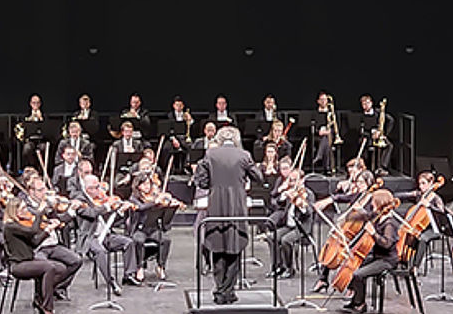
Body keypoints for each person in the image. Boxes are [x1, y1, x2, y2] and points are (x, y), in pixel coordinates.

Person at [192, 126, 262, 304]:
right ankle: (228, 291)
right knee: (234, 246)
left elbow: (201, 181)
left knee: (217, 246)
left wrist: (214, 184)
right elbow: (259, 178)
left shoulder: (210, 155)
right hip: (237, 207)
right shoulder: (244, 155)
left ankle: (220, 290)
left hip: (216, 206)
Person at [3, 197, 72, 314]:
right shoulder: (10, 226)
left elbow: (35, 243)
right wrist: (39, 212)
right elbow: (33, 231)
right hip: (18, 265)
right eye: (23, 208)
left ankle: (40, 298)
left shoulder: (19, 224)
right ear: (15, 211)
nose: (27, 211)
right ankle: (47, 308)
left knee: (61, 268)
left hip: (28, 260)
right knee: (48, 267)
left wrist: (48, 230)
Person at [75, 174, 141, 294]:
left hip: (106, 234)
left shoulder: (101, 199)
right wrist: (106, 206)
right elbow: (91, 213)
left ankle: (128, 275)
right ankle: (110, 281)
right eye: (96, 187)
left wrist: (120, 210)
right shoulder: (80, 200)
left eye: (99, 186)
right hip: (90, 237)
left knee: (128, 242)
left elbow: (112, 220)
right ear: (88, 189)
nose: (99, 190)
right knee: (100, 252)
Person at [341, 189, 402, 314]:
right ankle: (355, 300)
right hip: (378, 256)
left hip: (387, 260)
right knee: (356, 266)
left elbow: (386, 244)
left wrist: (373, 233)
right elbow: (364, 217)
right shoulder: (378, 216)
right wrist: (351, 214)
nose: (372, 204)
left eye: (373, 202)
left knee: (358, 274)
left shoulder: (390, 223)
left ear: (380, 203)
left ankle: (361, 304)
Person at [22, 177, 84, 297]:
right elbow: (34, 225)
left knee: (76, 261)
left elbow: (59, 220)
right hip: (37, 247)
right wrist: (42, 210)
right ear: (31, 191)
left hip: (53, 245)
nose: (44, 192)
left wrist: (71, 210)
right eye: (40, 190)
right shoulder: (26, 207)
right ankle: (41, 295)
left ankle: (55, 286)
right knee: (45, 266)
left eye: (44, 188)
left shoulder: (48, 205)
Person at [128, 173, 180, 281]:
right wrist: (154, 202)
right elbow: (141, 207)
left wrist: (170, 205)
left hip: (153, 229)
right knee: (138, 241)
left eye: (148, 184)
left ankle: (160, 266)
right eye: (144, 184)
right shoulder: (134, 198)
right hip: (139, 229)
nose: (147, 186)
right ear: (138, 186)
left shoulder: (154, 196)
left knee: (165, 240)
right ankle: (139, 267)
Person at [266, 168, 314, 279]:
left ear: (302, 180)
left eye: (294, 180)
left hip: (301, 227)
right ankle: (278, 267)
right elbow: (278, 205)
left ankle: (289, 268)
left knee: (285, 240)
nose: (292, 183)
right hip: (289, 225)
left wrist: (300, 204)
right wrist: (283, 196)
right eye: (290, 180)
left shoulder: (308, 194)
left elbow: (309, 212)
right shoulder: (291, 191)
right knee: (271, 237)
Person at [394, 170, 449, 265]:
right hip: (420, 227)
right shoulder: (420, 195)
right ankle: (402, 259)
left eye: (423, 183)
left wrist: (429, 206)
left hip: (433, 227)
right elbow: (404, 195)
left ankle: (415, 266)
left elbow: (442, 213)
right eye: (420, 184)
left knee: (422, 238)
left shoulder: (435, 198)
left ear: (431, 183)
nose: (421, 186)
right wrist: (392, 197)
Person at [357, 94, 393, 173]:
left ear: (371, 103)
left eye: (367, 103)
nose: (366, 105)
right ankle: (366, 166)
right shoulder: (361, 116)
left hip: (380, 135)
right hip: (369, 136)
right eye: (364, 104)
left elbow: (391, 120)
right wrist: (371, 133)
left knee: (389, 145)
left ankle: (382, 167)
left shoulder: (378, 112)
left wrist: (384, 133)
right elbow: (361, 130)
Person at [311, 92, 339, 174]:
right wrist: (319, 131)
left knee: (326, 139)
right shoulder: (315, 114)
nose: (323, 101)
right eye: (321, 99)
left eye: (325, 99)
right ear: (318, 101)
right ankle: (327, 168)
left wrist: (329, 131)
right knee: (326, 141)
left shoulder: (330, 113)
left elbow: (335, 126)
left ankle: (319, 155)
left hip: (329, 134)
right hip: (318, 136)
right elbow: (312, 125)